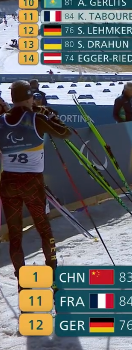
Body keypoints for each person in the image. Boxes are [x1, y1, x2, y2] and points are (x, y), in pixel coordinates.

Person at [0, 81, 71, 291]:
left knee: (15, 235)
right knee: (44, 230)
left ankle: (22, 283)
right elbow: (65, 132)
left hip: (9, 183)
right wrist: (49, 114)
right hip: (32, 183)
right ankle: (54, 277)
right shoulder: (36, 118)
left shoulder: (1, 121)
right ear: (30, 97)